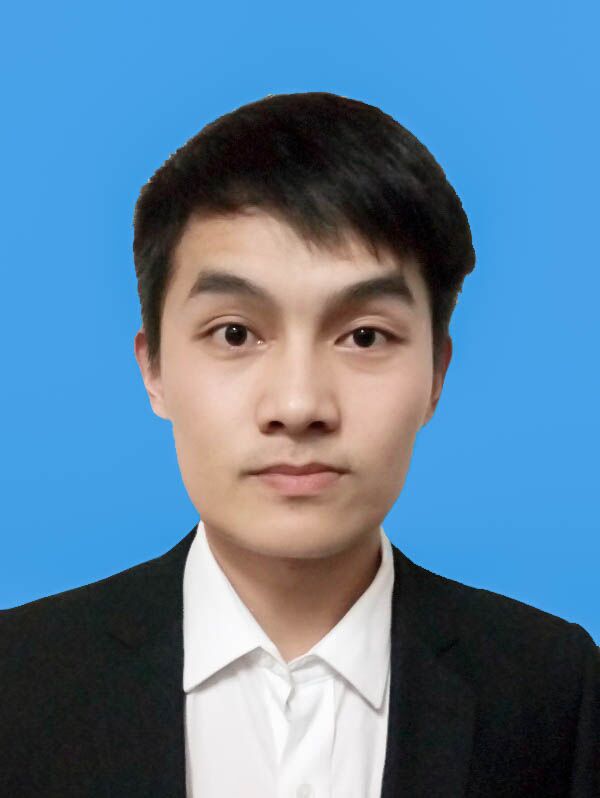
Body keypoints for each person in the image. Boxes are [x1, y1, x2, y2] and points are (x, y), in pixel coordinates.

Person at [1, 91, 598, 797]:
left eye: (364, 336)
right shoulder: (18, 680)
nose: (298, 406)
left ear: (436, 375)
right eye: (235, 333)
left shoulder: (554, 691)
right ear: (154, 369)